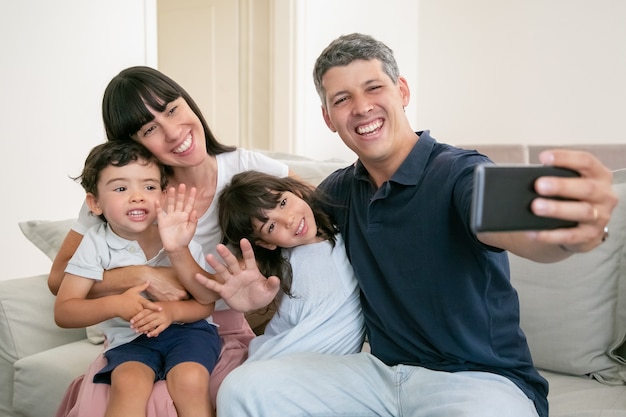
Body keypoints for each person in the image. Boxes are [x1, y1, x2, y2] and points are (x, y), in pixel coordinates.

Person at [200, 33, 618, 417]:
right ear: (328, 117)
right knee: (244, 389)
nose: (361, 107)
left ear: (402, 92)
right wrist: (256, 306)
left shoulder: (459, 173)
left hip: (475, 382)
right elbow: (296, 268)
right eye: (342, 99)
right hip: (377, 376)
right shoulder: (335, 194)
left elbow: (507, 227)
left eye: (374, 88)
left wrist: (569, 235)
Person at [50, 66, 291, 417]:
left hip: (205, 330)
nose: (173, 132)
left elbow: (313, 217)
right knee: (122, 394)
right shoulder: (118, 197)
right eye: (150, 129)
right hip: (133, 334)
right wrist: (140, 277)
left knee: (194, 388)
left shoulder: (245, 169)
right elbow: (60, 282)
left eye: (172, 109)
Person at [55, 140, 221, 417]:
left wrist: (171, 311)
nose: (137, 196)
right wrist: (117, 305)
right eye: (121, 188)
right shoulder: (95, 244)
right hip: (130, 340)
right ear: (94, 203)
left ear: (164, 195)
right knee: (129, 384)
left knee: (190, 379)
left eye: (149, 187)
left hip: (188, 333)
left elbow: (206, 303)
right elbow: (64, 310)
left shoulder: (177, 236)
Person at [195, 170, 364, 362]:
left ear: (294, 192)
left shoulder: (343, 224)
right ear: (266, 243)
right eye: (271, 227)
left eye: (283, 203)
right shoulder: (282, 264)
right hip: (278, 354)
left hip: (323, 362)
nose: (288, 220)